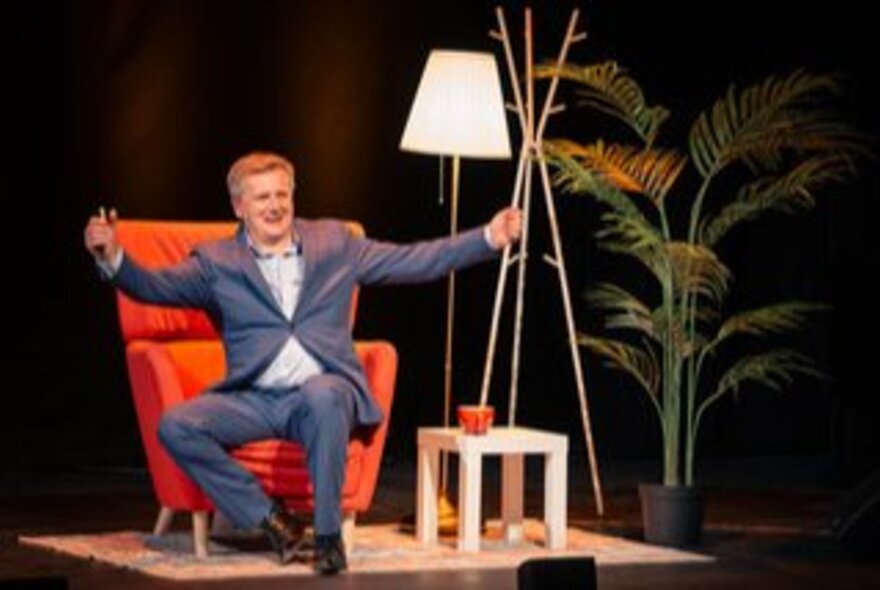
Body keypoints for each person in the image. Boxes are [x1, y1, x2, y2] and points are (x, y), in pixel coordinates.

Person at [83, 151, 521, 575]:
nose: (275, 206)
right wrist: (113, 257)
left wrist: (487, 237)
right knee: (176, 425)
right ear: (239, 206)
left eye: (281, 195)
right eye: (262, 198)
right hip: (254, 399)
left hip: (321, 391)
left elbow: (413, 260)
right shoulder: (216, 262)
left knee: (325, 395)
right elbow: (154, 288)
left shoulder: (334, 243)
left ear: (293, 196)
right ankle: (273, 520)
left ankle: (328, 538)